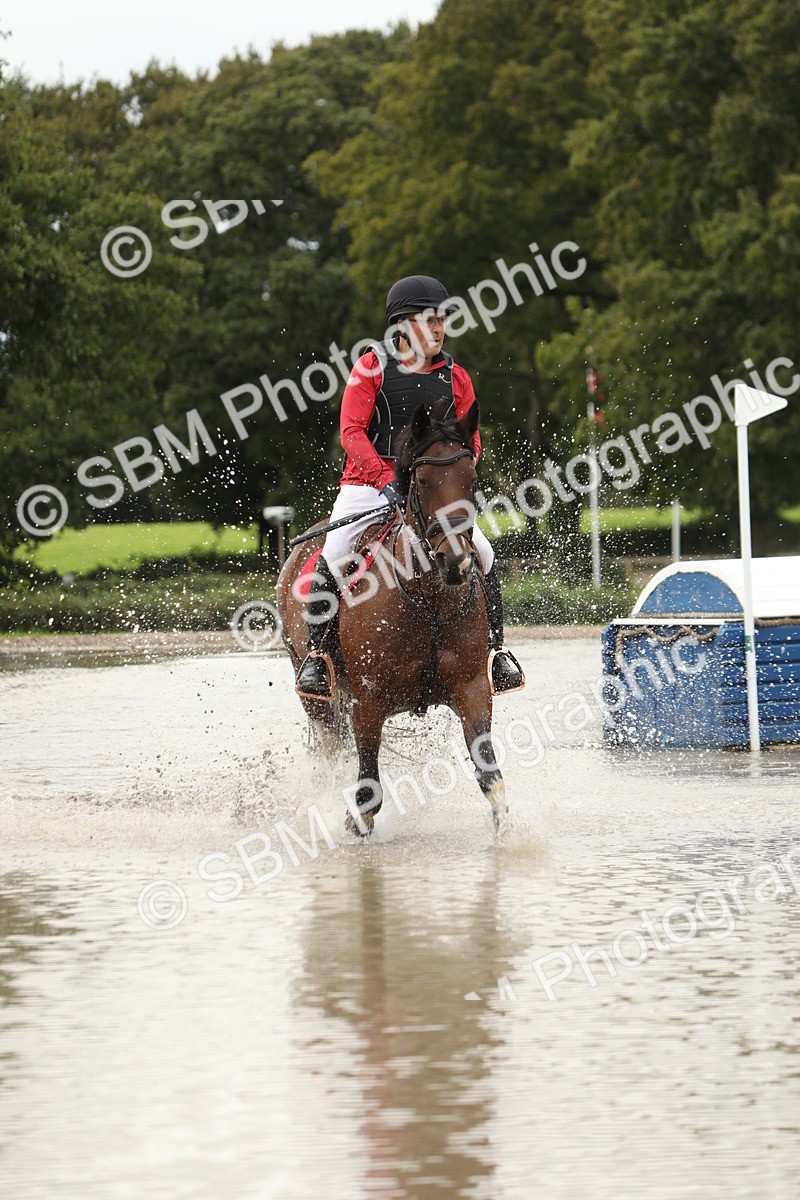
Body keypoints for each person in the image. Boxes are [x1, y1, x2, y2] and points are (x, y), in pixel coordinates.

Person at [295, 274, 525, 698]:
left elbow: (469, 438)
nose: (439, 329)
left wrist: (456, 474)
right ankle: (317, 657)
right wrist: (385, 481)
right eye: (430, 320)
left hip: (431, 487)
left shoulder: (457, 376)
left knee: (484, 552)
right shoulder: (371, 367)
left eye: (442, 321)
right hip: (368, 484)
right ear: (403, 324)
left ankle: (498, 652)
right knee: (333, 552)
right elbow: (351, 432)